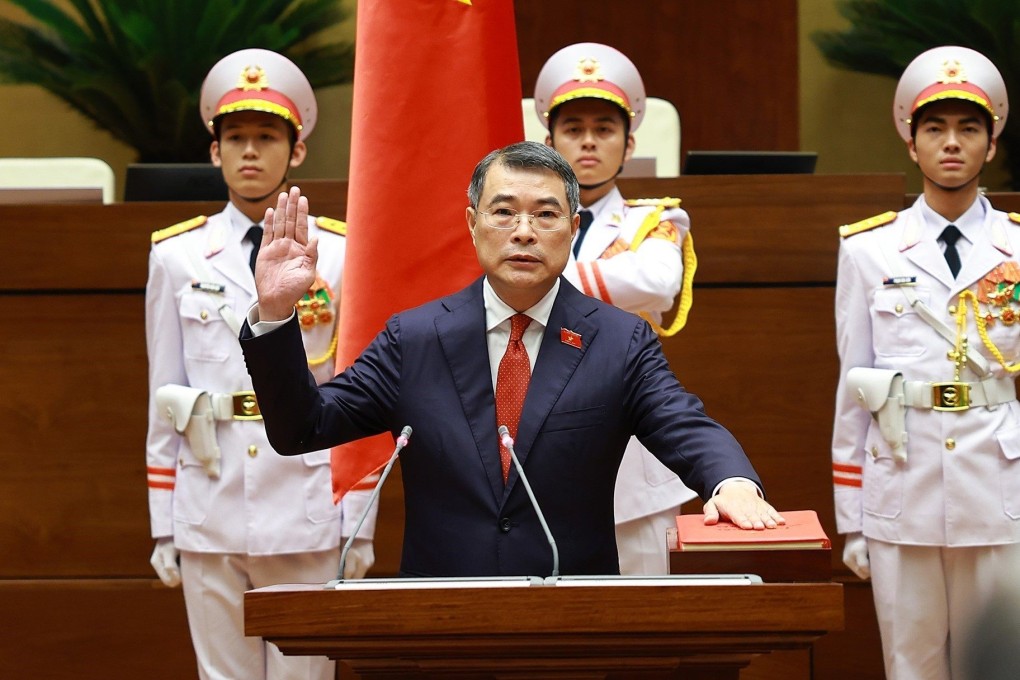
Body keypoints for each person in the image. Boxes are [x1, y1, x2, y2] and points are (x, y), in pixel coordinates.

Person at [239, 140, 783, 578]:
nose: (524, 231)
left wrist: (730, 481)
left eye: (546, 214)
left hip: (571, 623)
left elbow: (683, 422)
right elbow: (301, 428)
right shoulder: (416, 338)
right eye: (504, 212)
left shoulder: (620, 342)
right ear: (472, 222)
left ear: (572, 230)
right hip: (438, 624)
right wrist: (275, 315)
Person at [144, 48, 376, 680]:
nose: (250, 151)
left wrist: (359, 519)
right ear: (213, 151)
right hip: (209, 501)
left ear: (296, 150)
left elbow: (360, 395)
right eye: (236, 137)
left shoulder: (340, 253)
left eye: (267, 136)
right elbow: (165, 393)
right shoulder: (177, 257)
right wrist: (163, 523)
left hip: (304, 502)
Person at [832, 45, 1020, 680]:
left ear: (992, 142)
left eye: (969, 128)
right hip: (902, 486)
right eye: (934, 127)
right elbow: (852, 387)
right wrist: (851, 519)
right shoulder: (868, 251)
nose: (951, 143)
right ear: (910, 142)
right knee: (910, 664)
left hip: (1000, 489)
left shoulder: (1017, 249)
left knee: (998, 663)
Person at [535, 42, 698, 575]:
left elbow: (655, 283)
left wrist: (534, 277)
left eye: (604, 129)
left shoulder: (654, 221)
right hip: (536, 456)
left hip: (634, 469)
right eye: (573, 128)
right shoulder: (522, 222)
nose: (587, 142)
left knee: (643, 637)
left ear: (629, 145)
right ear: (547, 142)